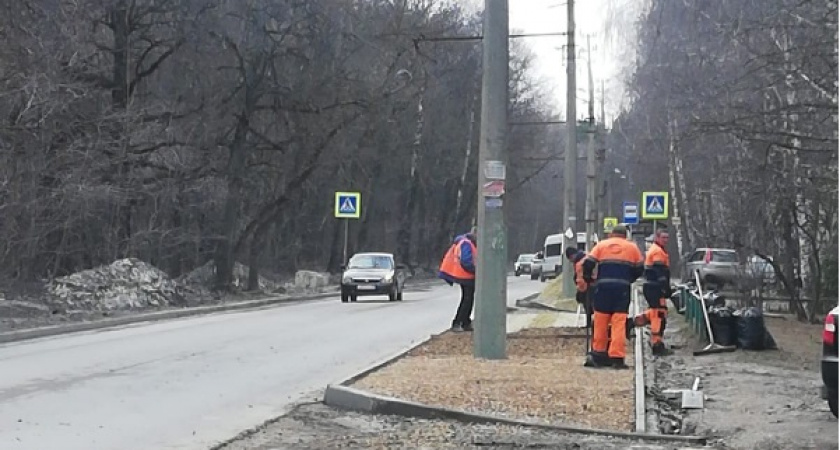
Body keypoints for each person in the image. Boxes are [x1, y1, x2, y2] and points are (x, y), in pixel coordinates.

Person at [581, 224, 644, 369]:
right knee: (618, 322)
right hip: (622, 288)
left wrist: (588, 278)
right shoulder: (632, 247)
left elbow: (588, 263)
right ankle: (617, 357)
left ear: (611, 234)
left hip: (603, 288)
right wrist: (629, 278)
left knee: (600, 320)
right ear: (625, 235)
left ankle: (598, 353)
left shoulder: (602, 245)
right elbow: (640, 268)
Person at [633, 228, 673, 356]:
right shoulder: (657, 251)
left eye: (667, 238)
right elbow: (659, 270)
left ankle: (634, 322)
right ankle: (656, 344)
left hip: (652, 286)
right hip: (655, 287)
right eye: (663, 237)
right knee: (658, 314)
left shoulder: (658, 250)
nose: (665, 240)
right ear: (657, 238)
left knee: (658, 312)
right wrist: (665, 287)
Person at [438, 228, 477, 332]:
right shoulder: (466, 244)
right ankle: (458, 322)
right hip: (466, 276)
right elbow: (466, 261)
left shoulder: (465, 242)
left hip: (465, 275)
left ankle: (465, 322)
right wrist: (476, 270)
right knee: (467, 300)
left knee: (468, 299)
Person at [565, 246, 592, 326]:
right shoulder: (586, 256)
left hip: (587, 287)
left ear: (572, 256)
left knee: (588, 307)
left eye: (570, 260)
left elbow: (581, 280)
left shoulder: (580, 263)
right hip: (594, 285)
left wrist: (580, 291)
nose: (571, 262)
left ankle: (589, 324)